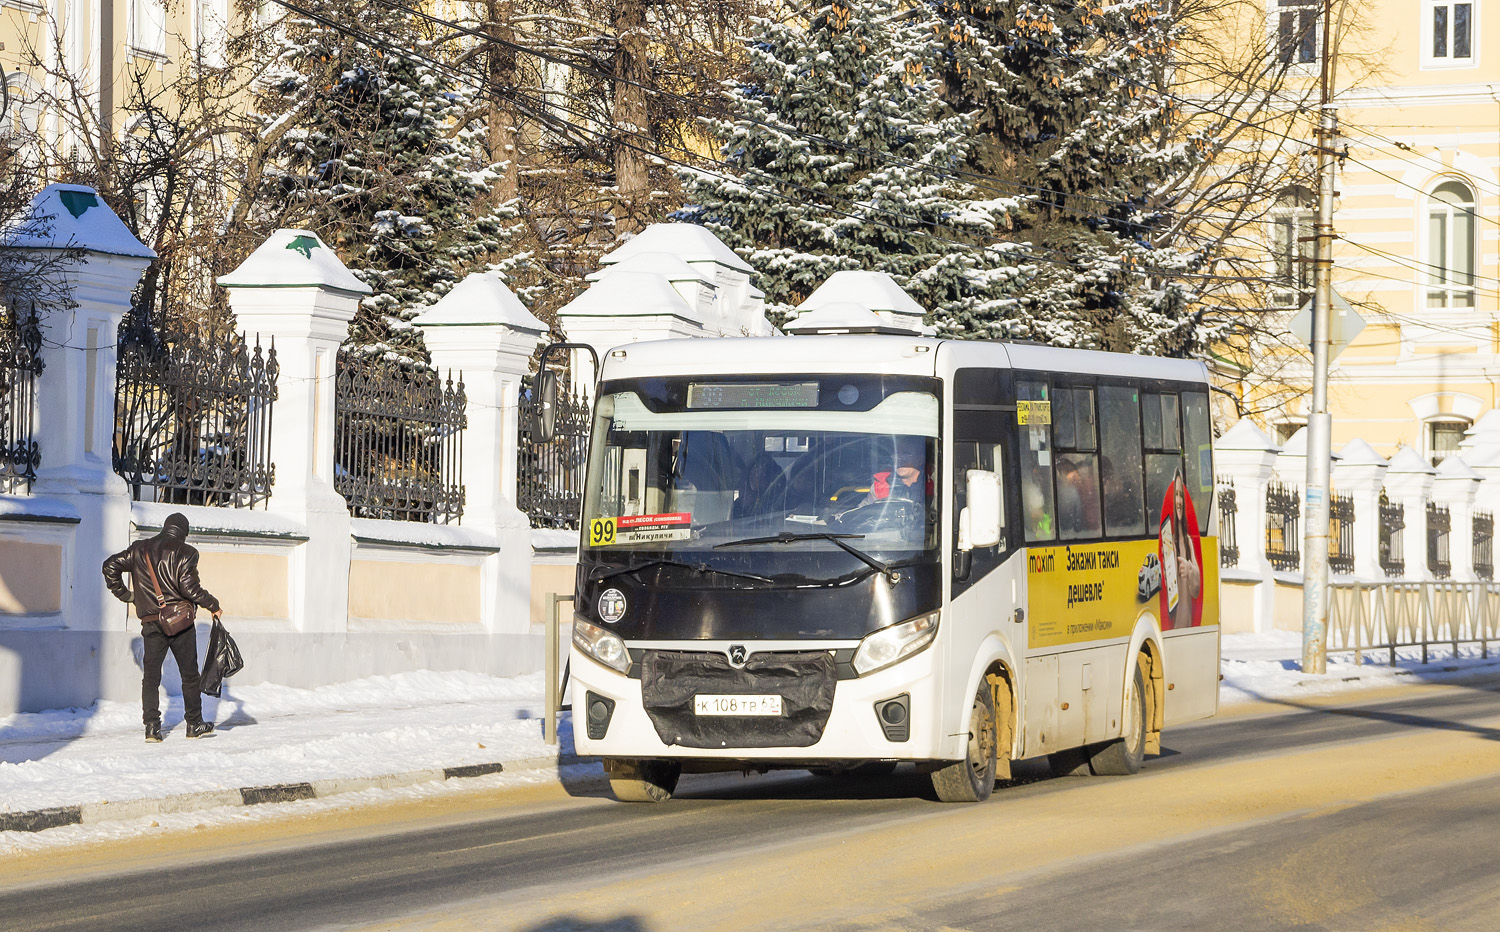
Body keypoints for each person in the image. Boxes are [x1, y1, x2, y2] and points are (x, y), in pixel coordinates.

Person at [102, 513, 222, 741]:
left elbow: (109, 566)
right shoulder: (186, 553)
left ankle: (151, 728)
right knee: (189, 675)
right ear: (183, 533)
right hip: (180, 623)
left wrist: (127, 595)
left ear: (166, 527)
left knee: (151, 677)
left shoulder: (140, 549)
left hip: (150, 622)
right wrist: (213, 605)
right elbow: (189, 589)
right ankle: (194, 724)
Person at [1160, 470, 1202, 630]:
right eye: (1175, 495)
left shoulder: (1187, 540)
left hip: (1188, 626)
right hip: (1174, 626)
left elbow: (1197, 590)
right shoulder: (1166, 539)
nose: (1178, 501)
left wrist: (1190, 570)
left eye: (1181, 495)